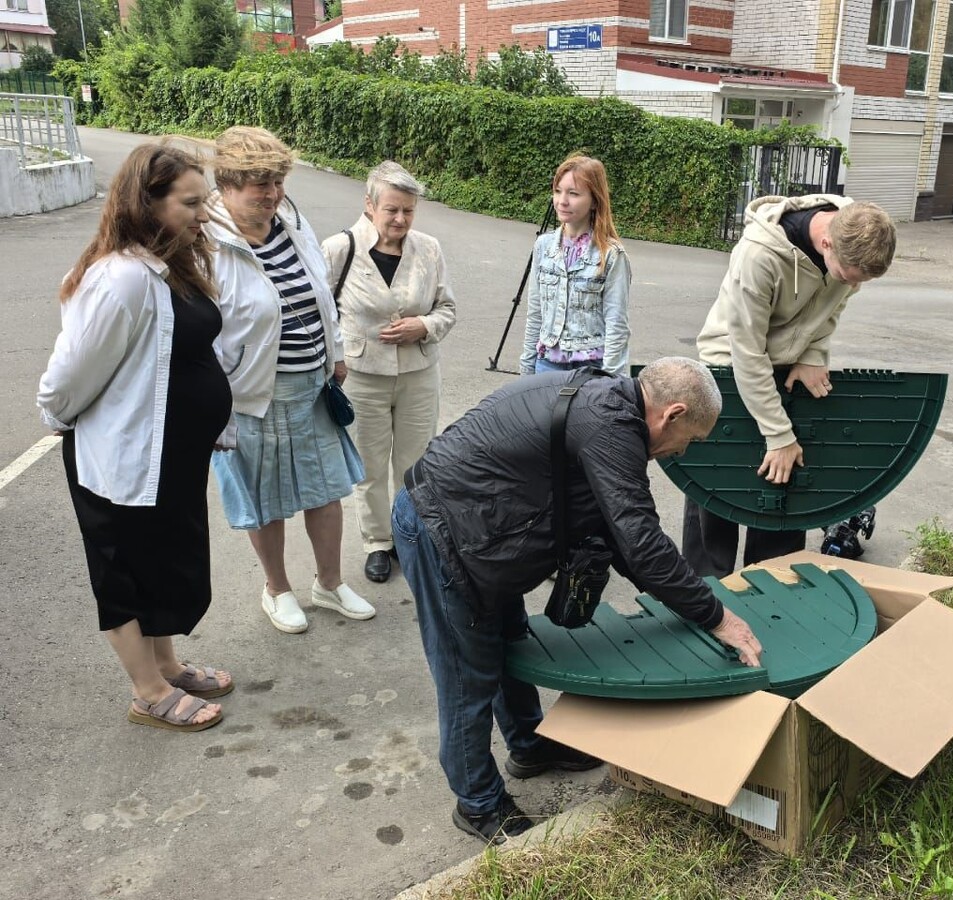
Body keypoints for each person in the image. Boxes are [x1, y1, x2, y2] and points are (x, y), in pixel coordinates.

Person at [391, 357, 763, 843]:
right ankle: (478, 803)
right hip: (444, 531)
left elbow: (625, 538)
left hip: (483, 528)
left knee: (508, 641)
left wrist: (687, 603)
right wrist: (717, 618)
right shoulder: (610, 426)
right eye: (690, 439)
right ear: (671, 414)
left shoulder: (614, 409)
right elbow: (641, 542)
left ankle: (531, 746)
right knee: (467, 672)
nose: (680, 453)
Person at [38, 143, 233, 732]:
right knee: (122, 568)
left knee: (163, 560)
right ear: (146, 203)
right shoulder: (120, 278)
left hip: (168, 454)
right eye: (190, 203)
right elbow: (67, 377)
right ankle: (147, 691)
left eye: (205, 201)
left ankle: (167, 664)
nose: (203, 214)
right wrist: (59, 419)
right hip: (121, 454)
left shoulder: (170, 262)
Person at [206, 126, 374, 634]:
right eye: (259, 183)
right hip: (251, 395)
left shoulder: (289, 221)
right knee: (265, 497)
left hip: (310, 386)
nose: (272, 193)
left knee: (326, 488)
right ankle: (277, 589)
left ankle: (328, 582)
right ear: (228, 183)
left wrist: (336, 352)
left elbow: (322, 292)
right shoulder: (207, 241)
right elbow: (204, 327)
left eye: (277, 181)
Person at [683, 195, 896, 578]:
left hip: (788, 360)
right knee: (718, 482)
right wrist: (778, 434)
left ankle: (772, 583)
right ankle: (703, 591)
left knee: (784, 485)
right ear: (827, 241)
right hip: (729, 364)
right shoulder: (759, 255)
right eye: (848, 275)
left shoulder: (854, 239)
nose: (851, 284)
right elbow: (746, 352)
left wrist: (813, 353)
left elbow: (833, 307)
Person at [321, 161, 457, 585]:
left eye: (409, 211)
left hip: (418, 371)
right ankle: (378, 542)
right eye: (392, 210)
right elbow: (321, 314)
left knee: (415, 462)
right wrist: (330, 362)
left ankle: (410, 537)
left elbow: (447, 309)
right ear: (370, 205)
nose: (400, 219)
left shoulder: (429, 249)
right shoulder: (339, 249)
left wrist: (425, 326)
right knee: (369, 465)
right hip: (361, 374)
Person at [519, 153, 631, 376]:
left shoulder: (611, 255)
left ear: (594, 200)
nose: (562, 201)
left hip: (591, 369)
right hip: (547, 365)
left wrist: (610, 383)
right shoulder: (543, 246)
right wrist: (526, 369)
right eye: (558, 191)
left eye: (573, 193)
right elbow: (535, 315)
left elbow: (616, 326)